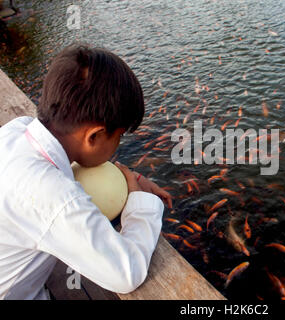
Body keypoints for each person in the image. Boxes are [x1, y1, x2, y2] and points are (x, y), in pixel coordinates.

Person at [0, 43, 172, 299]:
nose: (118, 146)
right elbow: (126, 273)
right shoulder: (52, 195)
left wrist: (129, 180)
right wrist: (141, 205)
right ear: (95, 135)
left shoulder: (17, 130)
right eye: (119, 136)